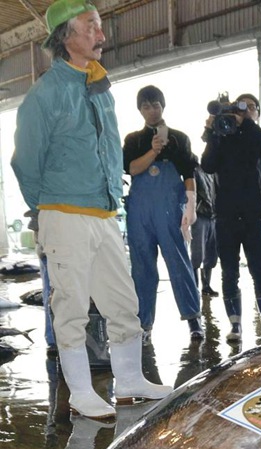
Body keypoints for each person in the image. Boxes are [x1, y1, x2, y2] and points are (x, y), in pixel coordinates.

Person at [11, 0, 172, 420]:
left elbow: (110, 151)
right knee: (71, 307)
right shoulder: (44, 95)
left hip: (103, 214)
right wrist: (47, 211)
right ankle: (80, 392)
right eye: (91, 27)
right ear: (66, 37)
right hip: (64, 213)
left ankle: (131, 381)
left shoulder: (101, 88)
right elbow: (25, 163)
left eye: (100, 27)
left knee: (123, 302)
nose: (101, 36)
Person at [123, 85, 203, 344]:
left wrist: (190, 205)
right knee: (142, 267)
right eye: (146, 106)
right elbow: (132, 169)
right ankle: (144, 323)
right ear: (140, 110)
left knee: (179, 262)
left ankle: (193, 319)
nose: (151, 111)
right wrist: (154, 150)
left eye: (155, 105)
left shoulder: (179, 138)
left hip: (170, 209)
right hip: (140, 212)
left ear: (163, 106)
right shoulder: (133, 139)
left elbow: (189, 174)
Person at [201, 93, 261, 342]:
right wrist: (213, 131)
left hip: (253, 213)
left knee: (260, 270)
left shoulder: (254, 136)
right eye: (241, 107)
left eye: (250, 108)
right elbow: (208, 165)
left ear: (256, 112)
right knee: (229, 272)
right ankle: (235, 325)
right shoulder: (221, 136)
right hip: (225, 214)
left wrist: (245, 121)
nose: (244, 111)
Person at [190, 165, 219, 297]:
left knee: (212, 255)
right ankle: (194, 287)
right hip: (200, 216)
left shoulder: (214, 173)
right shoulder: (195, 171)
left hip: (213, 217)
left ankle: (206, 286)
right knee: (197, 255)